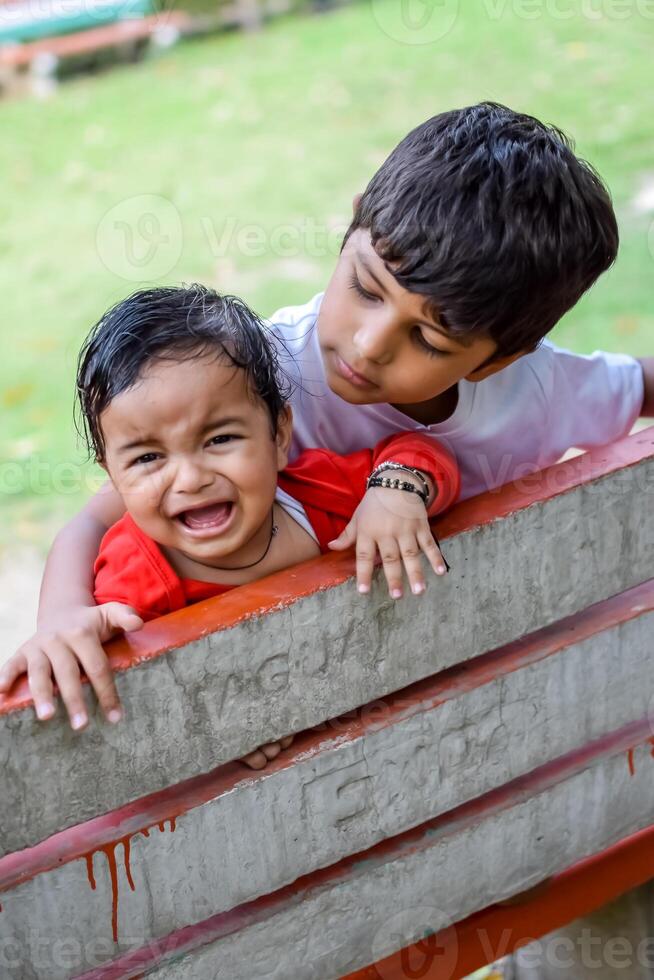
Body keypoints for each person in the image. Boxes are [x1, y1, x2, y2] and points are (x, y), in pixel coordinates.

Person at [3, 102, 652, 730]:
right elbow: (98, 513)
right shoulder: (252, 373)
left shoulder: (541, 391)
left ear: (497, 359)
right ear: (351, 228)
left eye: (429, 340)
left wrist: (399, 487)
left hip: (461, 698)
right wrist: (61, 611)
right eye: (366, 288)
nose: (369, 345)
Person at [0, 286, 458, 764]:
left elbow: (423, 451)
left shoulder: (318, 494)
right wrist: (214, 739)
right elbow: (129, 723)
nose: (192, 478)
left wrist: (397, 488)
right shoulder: (132, 587)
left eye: (219, 438)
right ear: (111, 475)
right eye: (149, 457)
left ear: (279, 435)